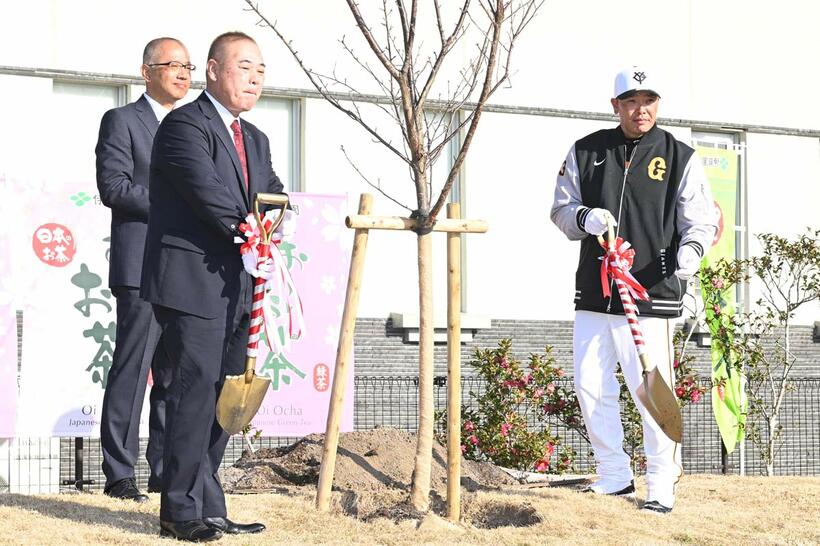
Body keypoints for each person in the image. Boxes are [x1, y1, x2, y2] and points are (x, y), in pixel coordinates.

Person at [550, 65, 717, 514]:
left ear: (657, 105)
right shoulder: (586, 151)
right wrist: (584, 218)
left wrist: (692, 250)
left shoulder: (680, 155)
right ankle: (615, 475)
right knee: (589, 385)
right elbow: (562, 210)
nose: (640, 110)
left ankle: (661, 484)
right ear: (616, 105)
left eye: (648, 101)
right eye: (631, 101)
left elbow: (700, 219)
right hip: (594, 291)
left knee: (651, 391)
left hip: (651, 295)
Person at [141, 31, 281, 541]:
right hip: (192, 283)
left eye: (261, 70)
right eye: (245, 67)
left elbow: (273, 195)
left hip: (239, 285)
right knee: (192, 393)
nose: (255, 78)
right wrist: (250, 230)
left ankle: (209, 504)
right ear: (214, 70)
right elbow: (210, 193)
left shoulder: (257, 138)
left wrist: (273, 226)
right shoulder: (184, 126)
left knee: (226, 395)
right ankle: (178, 511)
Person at [95, 36, 192, 503]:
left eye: (188, 66)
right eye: (172, 64)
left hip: (187, 271)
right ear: (146, 71)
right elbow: (114, 186)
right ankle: (119, 473)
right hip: (140, 267)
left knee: (175, 376)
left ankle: (163, 471)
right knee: (133, 370)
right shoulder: (122, 121)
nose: (183, 73)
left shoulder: (194, 126)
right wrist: (173, 206)